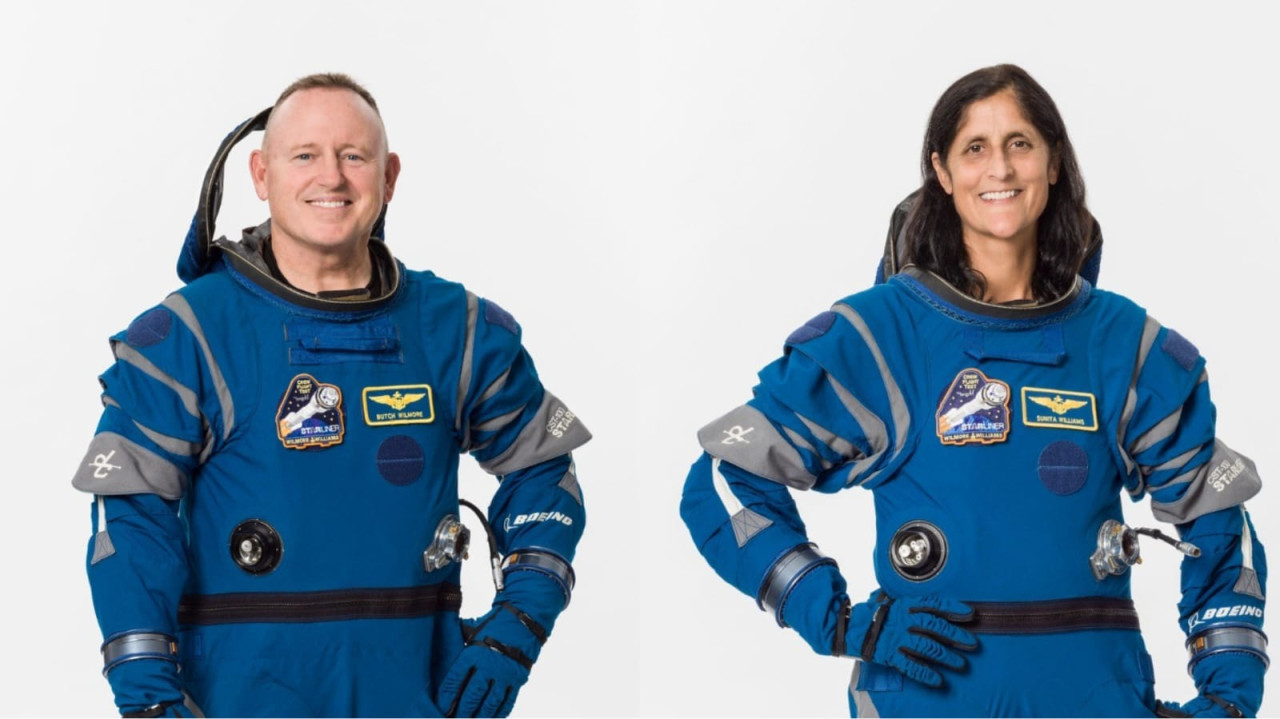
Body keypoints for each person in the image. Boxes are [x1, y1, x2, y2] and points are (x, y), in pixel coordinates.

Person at [679, 64, 1267, 717]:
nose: (1000, 169)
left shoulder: (1122, 344)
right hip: (929, 698)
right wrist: (839, 619)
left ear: (1052, 163)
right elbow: (724, 478)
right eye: (975, 148)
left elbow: (1216, 515)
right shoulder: (881, 338)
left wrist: (1228, 698)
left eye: (1020, 143)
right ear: (942, 170)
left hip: (1095, 697)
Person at [72, 73, 590, 718]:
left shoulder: (456, 330)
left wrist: (520, 622)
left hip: (417, 691)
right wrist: (145, 691)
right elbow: (128, 518)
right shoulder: (186, 337)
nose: (332, 178)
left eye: (354, 156)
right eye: (305, 155)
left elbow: (544, 471)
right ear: (261, 173)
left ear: (389, 175)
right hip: (234, 696)